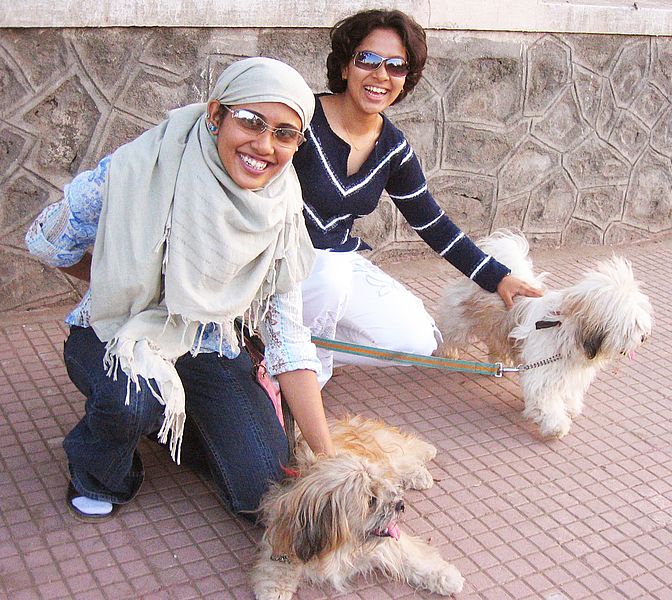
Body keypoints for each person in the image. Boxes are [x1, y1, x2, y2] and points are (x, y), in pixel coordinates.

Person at [24, 57, 334, 523]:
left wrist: (329, 461)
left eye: (284, 133)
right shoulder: (139, 167)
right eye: (250, 121)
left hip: (208, 343)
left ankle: (174, 419)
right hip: (118, 330)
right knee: (131, 402)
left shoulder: (281, 207)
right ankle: (102, 468)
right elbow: (46, 241)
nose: (264, 145)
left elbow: (288, 340)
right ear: (216, 115)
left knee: (264, 498)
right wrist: (118, 279)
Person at [294, 9, 543, 386]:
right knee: (328, 277)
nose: (381, 75)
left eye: (396, 66)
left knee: (417, 340)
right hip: (279, 260)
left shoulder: (393, 149)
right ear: (345, 66)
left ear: (405, 80)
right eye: (368, 60)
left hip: (334, 263)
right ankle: (296, 368)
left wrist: (497, 277)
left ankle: (290, 345)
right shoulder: (300, 118)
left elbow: (433, 223)